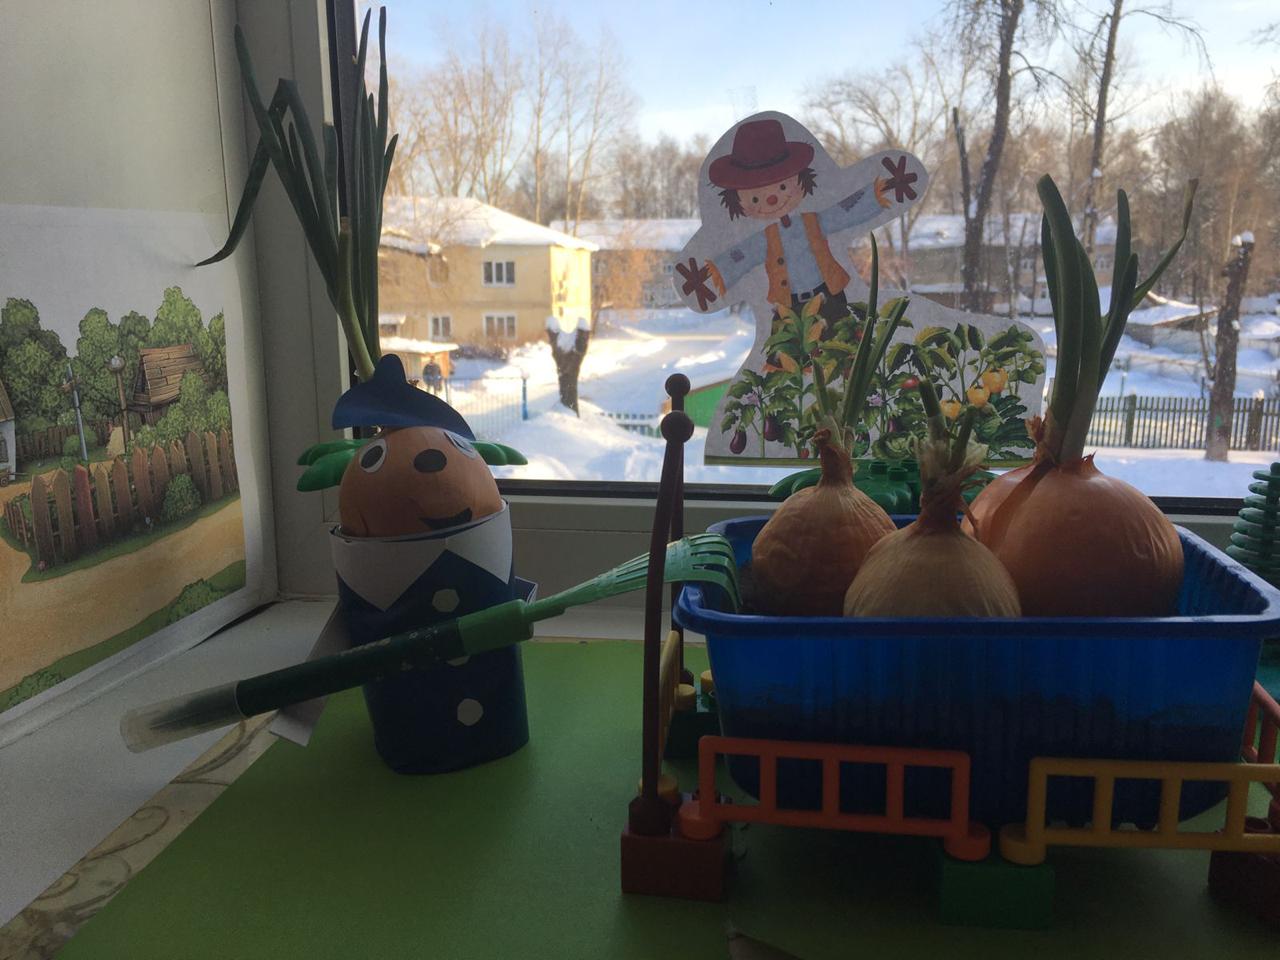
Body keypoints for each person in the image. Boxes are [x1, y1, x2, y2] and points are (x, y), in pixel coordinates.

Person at [675, 117, 922, 363]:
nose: (772, 200)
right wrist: (709, 276)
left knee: (842, 349)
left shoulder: (814, 222)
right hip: (788, 307)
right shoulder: (764, 239)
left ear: (800, 180)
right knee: (788, 357)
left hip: (830, 297)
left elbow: (845, 212)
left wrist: (879, 192)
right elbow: (741, 256)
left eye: (783, 188)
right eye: (755, 198)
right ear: (737, 201)